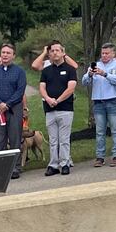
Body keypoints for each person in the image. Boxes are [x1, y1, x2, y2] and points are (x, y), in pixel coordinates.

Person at [37, 42, 78, 176]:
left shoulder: (70, 69)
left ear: (62, 52)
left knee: (64, 139)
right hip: (49, 109)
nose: (55, 53)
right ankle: (53, 165)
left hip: (65, 108)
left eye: (57, 50)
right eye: (52, 51)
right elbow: (42, 87)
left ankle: (65, 163)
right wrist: (48, 99)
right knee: (53, 139)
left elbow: (71, 88)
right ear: (49, 54)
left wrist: (58, 100)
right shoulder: (46, 70)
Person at [0, 43, 28, 177]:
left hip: (14, 109)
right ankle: (1, 168)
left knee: (15, 138)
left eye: (8, 53)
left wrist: (8, 104)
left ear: (13, 56)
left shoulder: (19, 71)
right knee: (0, 139)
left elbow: (20, 90)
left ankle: (15, 167)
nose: (5, 55)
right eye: (3, 52)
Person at [86, 43, 116, 167]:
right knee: (100, 131)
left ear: (113, 53)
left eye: (107, 53)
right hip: (98, 102)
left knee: (115, 129)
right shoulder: (95, 65)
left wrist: (105, 74)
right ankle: (100, 157)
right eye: (102, 53)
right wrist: (89, 75)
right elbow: (84, 81)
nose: (104, 55)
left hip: (113, 101)